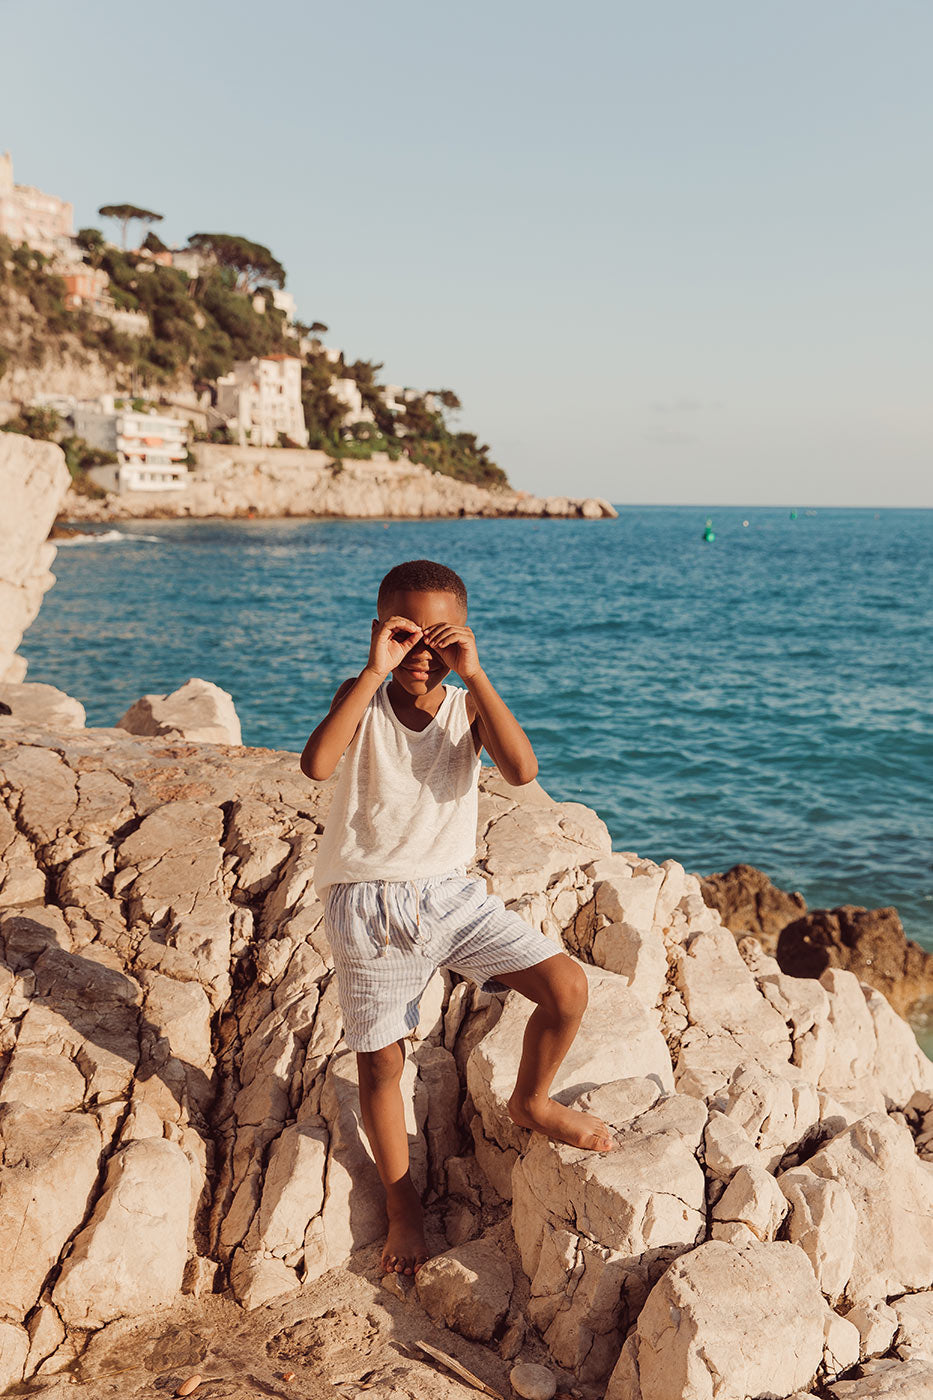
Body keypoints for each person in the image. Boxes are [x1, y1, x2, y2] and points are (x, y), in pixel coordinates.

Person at [300, 558, 611, 1277]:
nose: (420, 654)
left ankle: (530, 1101)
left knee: (565, 989)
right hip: (367, 904)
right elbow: (318, 764)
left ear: (460, 641)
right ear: (379, 632)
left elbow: (523, 770)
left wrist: (477, 676)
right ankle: (403, 1206)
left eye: (436, 639)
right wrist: (373, 670)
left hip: (449, 897)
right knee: (382, 1062)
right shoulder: (363, 693)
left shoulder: (467, 705)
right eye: (403, 634)